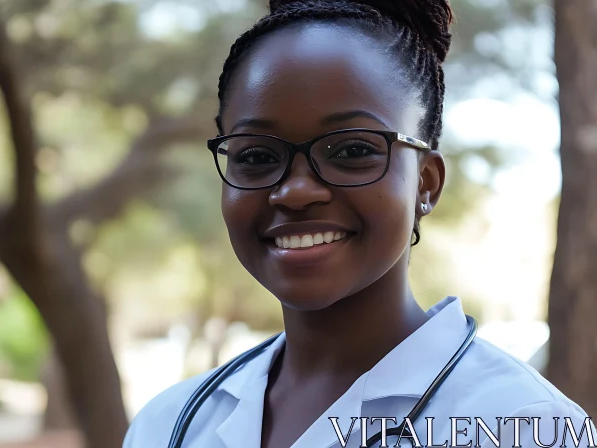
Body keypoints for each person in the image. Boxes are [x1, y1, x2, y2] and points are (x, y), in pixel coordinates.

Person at [122, 1, 593, 447]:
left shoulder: (526, 425)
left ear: (425, 184)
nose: (295, 191)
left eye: (352, 151)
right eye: (258, 156)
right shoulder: (171, 424)